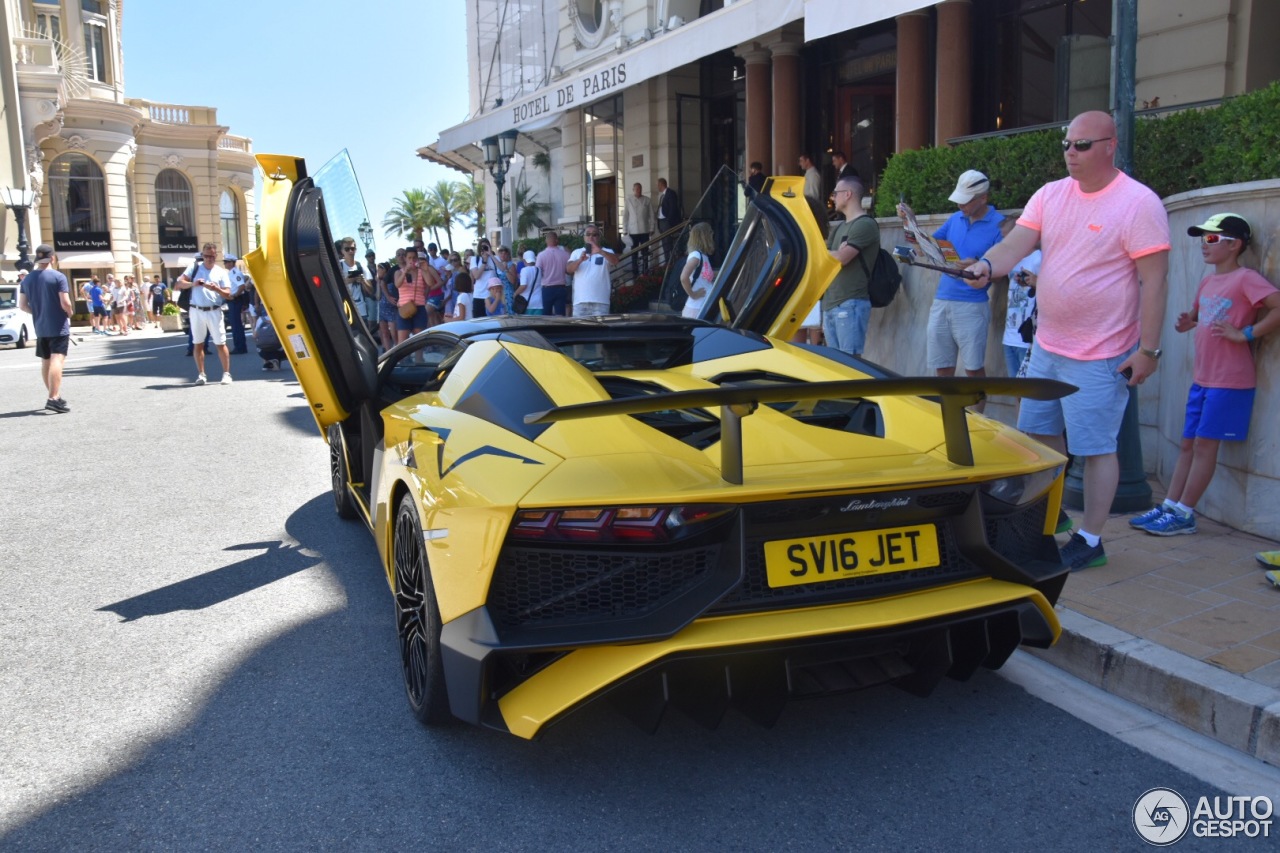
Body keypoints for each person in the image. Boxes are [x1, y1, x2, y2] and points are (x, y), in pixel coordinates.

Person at [964, 110, 1170, 571]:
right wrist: (985, 267)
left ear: (1110, 145)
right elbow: (1015, 246)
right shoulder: (1051, 195)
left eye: (1082, 146)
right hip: (1048, 347)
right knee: (1038, 436)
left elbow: (1155, 283)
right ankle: (1049, 517)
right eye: (1066, 145)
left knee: (1096, 449)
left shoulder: (1138, 203)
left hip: (1102, 354)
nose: (1070, 154)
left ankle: (1091, 539)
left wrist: (1149, 350)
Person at [1127, 214, 1279, 537]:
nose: (1203, 246)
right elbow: (1202, 315)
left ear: (1234, 244)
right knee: (1187, 445)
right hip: (1203, 379)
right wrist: (1189, 322)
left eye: (1211, 239)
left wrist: (1247, 333)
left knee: (1205, 447)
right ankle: (1170, 505)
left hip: (1230, 382)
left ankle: (1185, 513)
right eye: (1202, 239)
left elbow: (1277, 306)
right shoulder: (1209, 281)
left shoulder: (1246, 278)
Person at [919, 170, 1006, 406]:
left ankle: (978, 419)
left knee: (973, 368)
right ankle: (946, 415)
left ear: (983, 198)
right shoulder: (955, 218)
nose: (960, 204)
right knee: (942, 365)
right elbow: (930, 245)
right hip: (942, 300)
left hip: (972, 305)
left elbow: (1002, 270)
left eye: (966, 200)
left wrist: (979, 264)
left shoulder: (999, 225)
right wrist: (911, 226)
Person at [821, 176, 879, 356]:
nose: (833, 198)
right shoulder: (839, 228)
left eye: (836, 194)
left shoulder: (865, 225)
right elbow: (822, 258)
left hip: (850, 303)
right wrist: (833, 253)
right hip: (831, 304)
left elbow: (841, 258)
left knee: (850, 365)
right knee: (835, 366)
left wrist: (835, 253)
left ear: (848, 194)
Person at [17, 245, 73, 413]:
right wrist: (69, 313)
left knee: (46, 361)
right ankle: (53, 397)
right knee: (57, 360)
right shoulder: (58, 277)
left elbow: (22, 305)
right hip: (58, 325)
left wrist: (39, 311)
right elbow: (66, 303)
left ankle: (54, 394)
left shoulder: (27, 280)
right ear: (52, 258)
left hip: (40, 326)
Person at [175, 243, 235, 385]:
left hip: (214, 310)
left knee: (220, 343)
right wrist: (193, 283)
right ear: (202, 255)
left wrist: (216, 289)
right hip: (196, 310)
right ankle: (201, 374)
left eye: (212, 256)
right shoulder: (194, 267)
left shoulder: (220, 272)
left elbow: (228, 294)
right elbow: (179, 283)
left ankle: (226, 373)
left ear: (216, 256)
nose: (209, 259)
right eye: (206, 256)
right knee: (198, 343)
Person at [566, 225, 619, 317]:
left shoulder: (607, 251)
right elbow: (568, 270)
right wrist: (580, 260)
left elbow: (615, 261)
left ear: (599, 237)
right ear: (584, 237)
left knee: (600, 331)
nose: (591, 237)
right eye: (588, 234)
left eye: (594, 234)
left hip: (601, 301)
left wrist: (600, 251)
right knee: (580, 331)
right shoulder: (577, 252)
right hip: (580, 301)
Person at [679, 222, 715, 319]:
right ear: (705, 236)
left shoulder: (702, 256)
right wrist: (693, 294)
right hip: (697, 309)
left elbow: (703, 276)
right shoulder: (696, 256)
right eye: (710, 232)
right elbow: (683, 277)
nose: (712, 235)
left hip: (702, 306)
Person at [394, 247, 430, 344]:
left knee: (419, 342)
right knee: (402, 342)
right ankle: (404, 359)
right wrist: (405, 272)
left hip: (419, 308)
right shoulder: (398, 272)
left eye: (414, 258)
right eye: (409, 258)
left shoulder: (421, 272)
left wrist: (425, 270)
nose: (412, 260)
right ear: (405, 258)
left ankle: (419, 358)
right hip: (404, 309)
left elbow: (430, 283)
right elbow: (397, 284)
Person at [623, 182, 656, 276]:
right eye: (636, 189)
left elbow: (652, 215)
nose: (638, 190)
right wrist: (624, 230)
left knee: (645, 252)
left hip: (644, 231)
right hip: (633, 231)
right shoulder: (628, 201)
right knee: (634, 253)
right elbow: (625, 216)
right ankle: (635, 272)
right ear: (633, 190)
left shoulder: (647, 200)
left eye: (640, 189)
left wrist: (652, 228)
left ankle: (645, 271)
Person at [535, 231, 571, 316]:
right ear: (557, 241)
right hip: (561, 287)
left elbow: (538, 272)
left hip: (547, 288)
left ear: (546, 241)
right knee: (560, 315)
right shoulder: (565, 255)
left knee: (546, 315)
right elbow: (568, 271)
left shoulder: (541, 255)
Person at [222, 253, 251, 353]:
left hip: (235, 300)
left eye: (226, 262)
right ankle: (240, 346)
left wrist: (235, 295)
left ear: (231, 263)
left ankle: (240, 347)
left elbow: (242, 286)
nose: (225, 263)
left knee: (236, 324)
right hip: (234, 300)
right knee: (235, 324)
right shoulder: (232, 272)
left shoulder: (234, 273)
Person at [655, 178, 681, 264]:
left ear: (662, 185)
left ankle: (669, 263)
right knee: (664, 243)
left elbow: (673, 209)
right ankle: (667, 262)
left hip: (667, 222)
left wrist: (668, 222)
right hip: (662, 222)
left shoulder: (670, 193)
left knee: (668, 243)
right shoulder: (663, 195)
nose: (657, 187)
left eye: (658, 185)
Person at [374, 262, 397, 351]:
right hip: (382, 309)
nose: (378, 271)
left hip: (391, 309)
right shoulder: (380, 282)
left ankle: (398, 349)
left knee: (394, 333)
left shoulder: (391, 281)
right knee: (384, 333)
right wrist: (378, 283)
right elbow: (378, 296)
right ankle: (388, 352)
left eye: (380, 269)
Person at [517, 249, 544, 315]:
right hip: (539, 302)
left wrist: (515, 293)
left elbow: (523, 286)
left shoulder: (524, 270)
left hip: (527, 302)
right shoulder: (539, 269)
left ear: (524, 260)